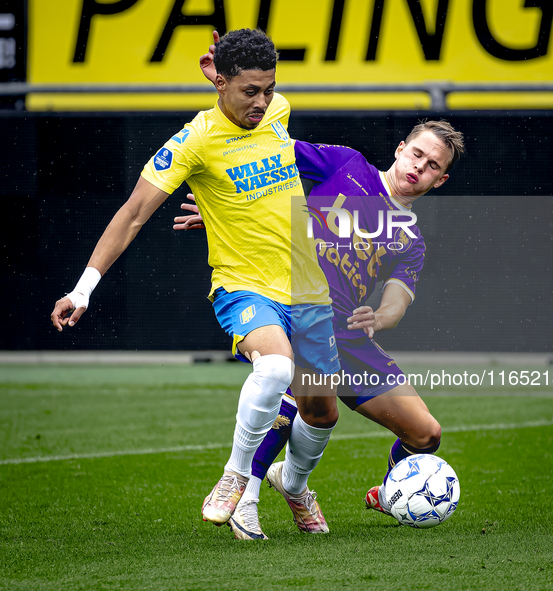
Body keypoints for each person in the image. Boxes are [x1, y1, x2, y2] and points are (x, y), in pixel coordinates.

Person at [50, 28, 341, 534]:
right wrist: (82, 288)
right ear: (221, 83)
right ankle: (234, 477)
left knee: (320, 412)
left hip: (307, 287)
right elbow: (134, 213)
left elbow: (263, 188)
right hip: (243, 285)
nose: (262, 100)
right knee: (273, 368)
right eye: (249, 91)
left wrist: (232, 85)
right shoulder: (195, 140)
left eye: (268, 88)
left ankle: (292, 485)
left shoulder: (278, 111)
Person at [174, 118, 465, 539]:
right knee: (293, 394)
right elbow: (266, 155)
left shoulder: (411, 239)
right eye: (417, 154)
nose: (420, 166)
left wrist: (380, 317)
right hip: (296, 305)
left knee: (426, 434)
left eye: (433, 165)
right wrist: (227, 206)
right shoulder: (347, 165)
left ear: (440, 180)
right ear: (401, 149)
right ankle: (245, 498)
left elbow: (398, 300)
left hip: (349, 332)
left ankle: (384, 493)